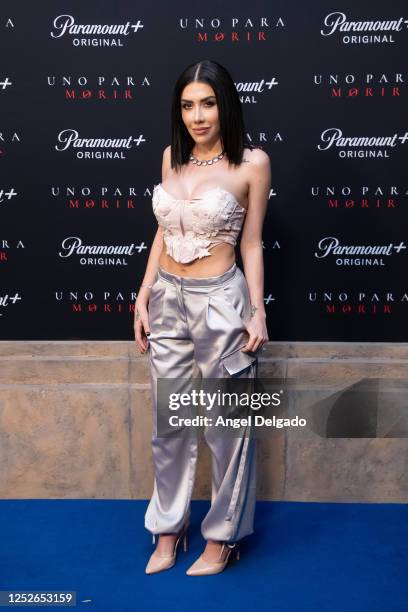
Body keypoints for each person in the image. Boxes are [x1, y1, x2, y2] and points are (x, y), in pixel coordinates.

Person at [134, 58, 271, 576]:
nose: (198, 115)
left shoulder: (251, 164)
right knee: (170, 425)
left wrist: (256, 312)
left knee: (227, 427)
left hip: (222, 302)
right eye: (188, 105)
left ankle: (223, 537)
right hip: (167, 299)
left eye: (208, 103)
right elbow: (163, 230)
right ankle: (169, 527)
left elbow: (253, 242)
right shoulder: (172, 157)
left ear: (225, 105)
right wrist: (144, 294)